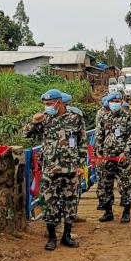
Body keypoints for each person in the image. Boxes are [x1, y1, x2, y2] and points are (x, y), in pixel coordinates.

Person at [23, 89, 88, 250]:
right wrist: (34, 121)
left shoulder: (75, 118)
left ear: (58, 102)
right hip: (50, 170)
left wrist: (81, 165)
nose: (46, 107)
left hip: (71, 170)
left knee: (71, 203)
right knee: (49, 203)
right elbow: (26, 134)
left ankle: (66, 236)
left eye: (49, 104)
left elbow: (83, 143)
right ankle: (52, 237)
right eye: (45, 105)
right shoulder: (45, 119)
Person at [94, 91, 131, 223]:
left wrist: (126, 152)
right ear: (108, 103)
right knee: (105, 184)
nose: (114, 104)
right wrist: (98, 153)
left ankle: (126, 211)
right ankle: (108, 212)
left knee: (125, 184)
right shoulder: (104, 117)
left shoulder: (128, 117)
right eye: (112, 102)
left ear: (121, 102)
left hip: (121, 158)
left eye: (117, 102)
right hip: (106, 158)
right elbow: (99, 136)